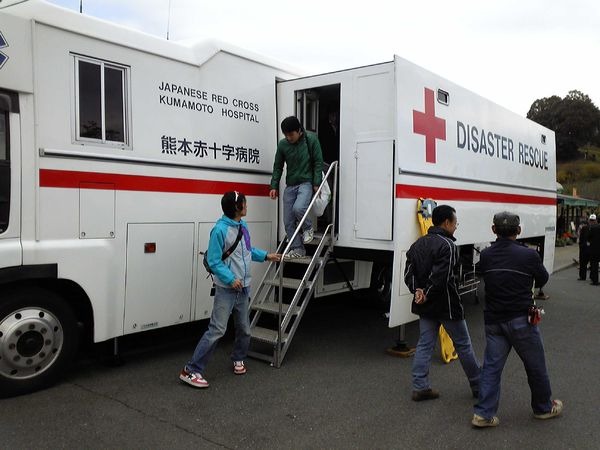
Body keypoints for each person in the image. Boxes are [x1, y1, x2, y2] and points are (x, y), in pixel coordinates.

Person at [179, 191, 281, 388]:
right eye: (244, 203)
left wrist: (266, 256)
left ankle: (238, 357)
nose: (247, 206)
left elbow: (248, 252)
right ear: (237, 207)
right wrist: (230, 278)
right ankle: (191, 370)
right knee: (217, 330)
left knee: (244, 329)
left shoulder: (243, 226)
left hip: (243, 287)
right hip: (226, 288)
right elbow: (214, 261)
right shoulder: (219, 230)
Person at [472, 212, 562, 428]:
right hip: (522, 319)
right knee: (535, 365)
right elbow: (543, 278)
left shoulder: (486, 255)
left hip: (494, 320)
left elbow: (481, 273)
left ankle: (483, 414)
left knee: (492, 367)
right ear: (519, 231)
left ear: (493, 230)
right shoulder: (528, 255)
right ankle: (542, 408)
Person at [403, 205, 481, 401]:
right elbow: (441, 277)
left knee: (424, 344)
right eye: (455, 223)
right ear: (446, 223)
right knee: (463, 344)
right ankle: (479, 386)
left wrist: (418, 291)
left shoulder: (417, 245)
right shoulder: (448, 246)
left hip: (425, 306)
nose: (456, 227)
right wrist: (427, 292)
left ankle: (420, 387)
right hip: (447, 305)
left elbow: (408, 274)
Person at [270, 116, 324, 258]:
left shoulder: (311, 140)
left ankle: (308, 228)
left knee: (298, 208)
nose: (288, 138)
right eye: (286, 135)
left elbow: (318, 162)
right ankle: (298, 249)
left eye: (291, 134)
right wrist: (274, 185)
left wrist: (316, 183)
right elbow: (278, 166)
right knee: (287, 221)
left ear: (299, 130)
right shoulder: (283, 145)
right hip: (290, 185)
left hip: (306, 182)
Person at [588, 214, 600, 285]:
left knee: (594, 265)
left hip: (594, 249)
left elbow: (589, 237)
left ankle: (595, 280)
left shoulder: (593, 228)